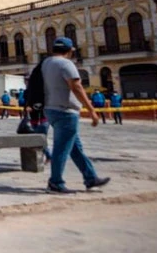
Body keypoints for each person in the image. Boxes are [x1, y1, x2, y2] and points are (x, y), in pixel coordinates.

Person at [43, 37, 110, 194]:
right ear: (70, 50)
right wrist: (91, 110)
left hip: (51, 109)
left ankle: (91, 178)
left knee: (75, 148)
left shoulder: (46, 63)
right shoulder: (66, 64)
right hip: (66, 111)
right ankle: (55, 182)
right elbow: (77, 87)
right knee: (61, 149)